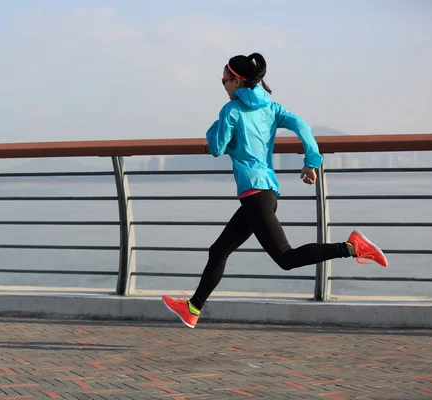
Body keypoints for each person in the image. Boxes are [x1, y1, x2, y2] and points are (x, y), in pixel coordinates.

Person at [162, 52, 388, 329]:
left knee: (286, 258)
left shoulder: (231, 110)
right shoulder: (272, 108)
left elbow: (217, 147)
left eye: (224, 80)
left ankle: (353, 247)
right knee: (218, 250)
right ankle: (193, 308)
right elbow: (303, 127)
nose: (222, 86)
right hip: (262, 193)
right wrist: (311, 162)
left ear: (236, 81)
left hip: (256, 196)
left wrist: (213, 130)